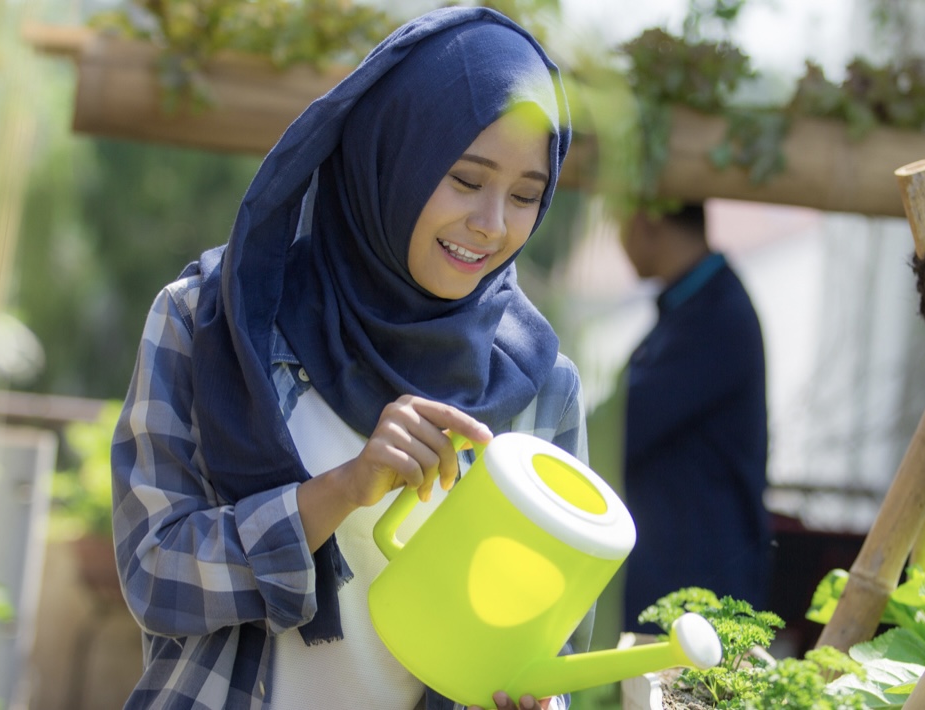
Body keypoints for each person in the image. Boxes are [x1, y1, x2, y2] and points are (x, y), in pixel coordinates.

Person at [110, 8, 590, 710]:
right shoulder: (212, 318)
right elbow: (155, 574)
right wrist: (338, 490)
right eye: (465, 179)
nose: (492, 225)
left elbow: (548, 654)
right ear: (389, 156)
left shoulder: (541, 387)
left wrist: (536, 697)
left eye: (525, 196)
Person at [618, 203, 771, 633]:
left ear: (646, 217)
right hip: (680, 578)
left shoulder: (716, 315)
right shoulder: (697, 305)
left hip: (697, 588)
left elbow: (619, 428)